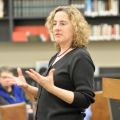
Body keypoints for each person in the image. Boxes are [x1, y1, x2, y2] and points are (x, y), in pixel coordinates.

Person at [11, 5, 95, 120]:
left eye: (63, 23)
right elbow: (49, 94)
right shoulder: (56, 56)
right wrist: (27, 88)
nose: (57, 28)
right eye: (54, 23)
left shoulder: (80, 56)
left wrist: (52, 88)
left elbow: (85, 100)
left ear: (76, 28)